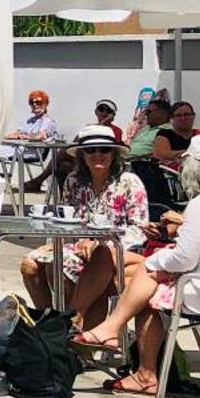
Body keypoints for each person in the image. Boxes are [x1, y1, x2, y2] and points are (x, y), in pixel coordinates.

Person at [76, 133, 200, 393]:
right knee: (140, 270)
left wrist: (156, 259)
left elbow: (184, 259)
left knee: (149, 286)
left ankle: (134, 360)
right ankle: (110, 332)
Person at [19, 125, 152, 325]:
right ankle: (49, 323)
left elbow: (138, 229)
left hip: (117, 251)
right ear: (82, 156)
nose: (98, 155)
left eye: (104, 150)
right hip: (75, 246)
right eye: (91, 150)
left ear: (114, 154)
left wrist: (101, 244)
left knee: (63, 268)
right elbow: (65, 219)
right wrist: (58, 241)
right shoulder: (73, 181)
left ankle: (73, 326)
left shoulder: (130, 182)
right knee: (29, 265)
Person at [154, 100, 200, 171]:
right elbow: (161, 155)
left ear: (193, 116)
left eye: (187, 114)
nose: (183, 118)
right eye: (178, 115)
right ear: (171, 118)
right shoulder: (164, 134)